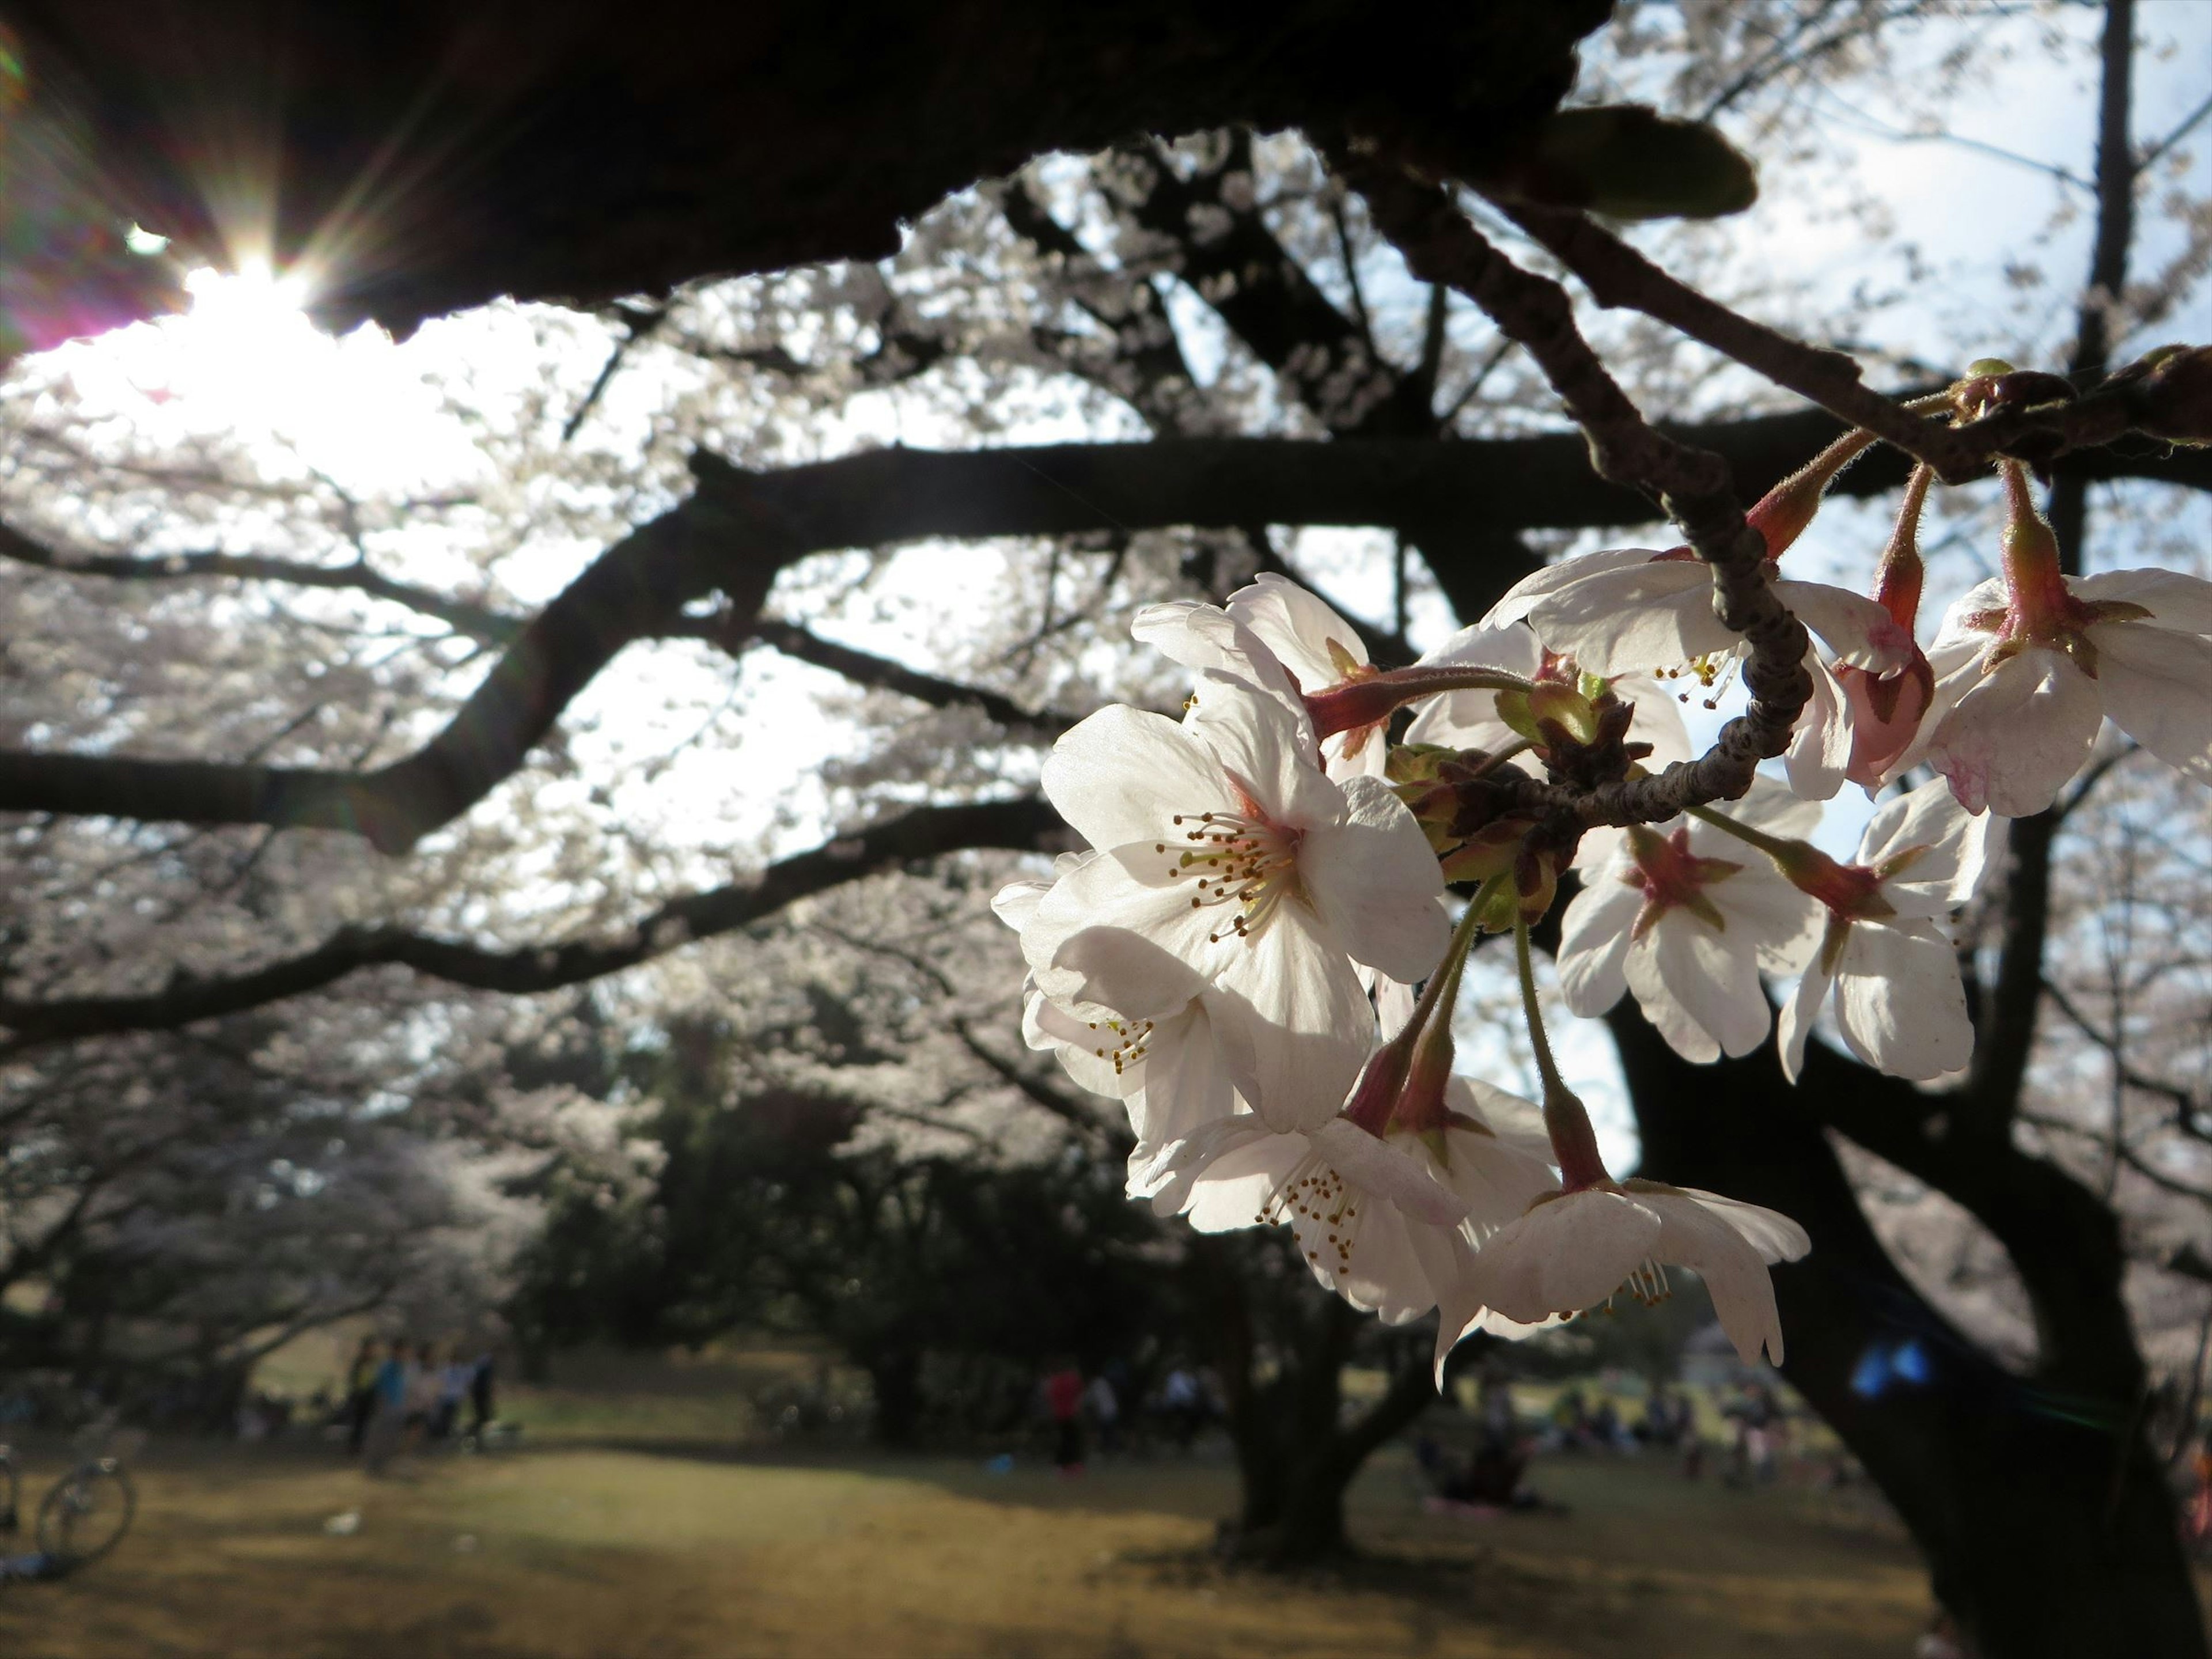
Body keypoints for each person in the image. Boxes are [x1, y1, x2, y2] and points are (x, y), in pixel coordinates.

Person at [363, 1339, 410, 1475]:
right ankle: (372, 1465)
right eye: (403, 1351)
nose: (405, 1354)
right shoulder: (387, 1367)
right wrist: (382, 1404)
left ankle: (383, 1464)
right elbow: (380, 1387)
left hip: (398, 1407)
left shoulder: (402, 1368)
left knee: (391, 1439)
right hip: (386, 1406)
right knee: (380, 1437)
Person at [1043, 1360, 1085, 1475]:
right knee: (1072, 1440)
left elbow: (1050, 1397)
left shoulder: (1054, 1381)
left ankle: (1062, 1464)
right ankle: (1071, 1464)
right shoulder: (1072, 1380)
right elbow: (1078, 1396)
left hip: (1059, 1415)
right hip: (1070, 1414)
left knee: (1064, 1440)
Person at [343, 1338, 379, 1455]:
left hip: (370, 1396)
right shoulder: (359, 1363)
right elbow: (353, 1380)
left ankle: (363, 1446)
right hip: (360, 1397)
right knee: (358, 1423)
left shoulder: (374, 1363)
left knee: (367, 1423)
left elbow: (375, 1379)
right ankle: (355, 1446)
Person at [1082, 1370, 1120, 1459]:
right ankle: (1110, 1451)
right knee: (1109, 1432)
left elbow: (1090, 1401)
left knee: (1107, 1433)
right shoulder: (1102, 1382)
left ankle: (1110, 1452)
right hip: (1111, 1411)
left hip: (1106, 1413)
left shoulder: (1096, 1385)